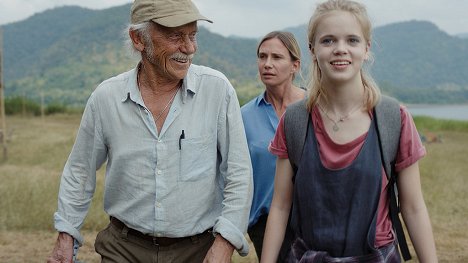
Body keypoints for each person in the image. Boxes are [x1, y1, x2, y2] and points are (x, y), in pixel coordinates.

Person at [46, 0, 253, 262]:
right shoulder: (106, 98)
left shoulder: (217, 90)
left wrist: (225, 243)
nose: (189, 48)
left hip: (197, 250)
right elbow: (79, 171)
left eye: (192, 35)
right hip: (123, 248)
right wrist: (66, 235)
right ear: (138, 39)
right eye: (176, 36)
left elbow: (239, 172)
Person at [261, 0, 437, 262]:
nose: (340, 49)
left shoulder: (393, 118)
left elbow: (412, 207)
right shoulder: (295, 121)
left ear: (366, 49)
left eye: (352, 41)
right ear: (312, 49)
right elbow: (280, 205)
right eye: (328, 40)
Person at [241, 31, 305, 261]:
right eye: (262, 56)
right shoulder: (244, 117)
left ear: (295, 65)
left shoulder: (315, 109)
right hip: (265, 223)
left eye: (277, 57)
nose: (267, 64)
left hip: (312, 220)